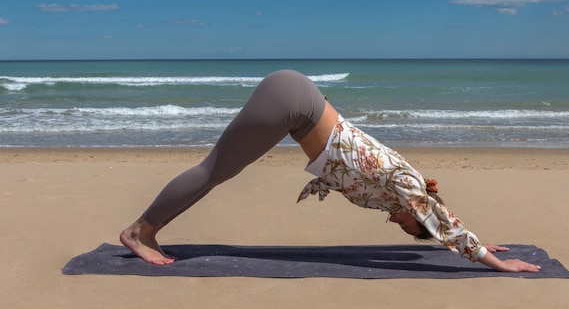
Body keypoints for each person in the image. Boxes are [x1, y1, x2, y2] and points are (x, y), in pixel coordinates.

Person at [120, 69, 541, 273]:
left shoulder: (392, 195)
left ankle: (148, 228)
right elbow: (444, 221)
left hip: (296, 108)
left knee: (218, 173)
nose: (397, 223)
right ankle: (139, 232)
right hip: (294, 104)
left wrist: (479, 241)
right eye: (407, 227)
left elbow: (442, 223)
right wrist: (491, 260)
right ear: (419, 213)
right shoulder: (410, 187)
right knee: (213, 171)